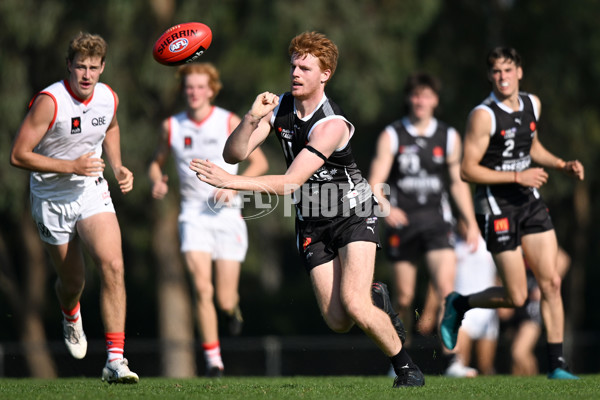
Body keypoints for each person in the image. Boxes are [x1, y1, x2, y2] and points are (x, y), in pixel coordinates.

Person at [189, 31, 424, 387]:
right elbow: (233, 154)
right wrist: (252, 119)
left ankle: (407, 369)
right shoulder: (280, 107)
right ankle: (378, 294)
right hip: (311, 220)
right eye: (293, 65)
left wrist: (230, 182)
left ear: (325, 74)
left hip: (352, 212)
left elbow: (290, 183)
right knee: (338, 321)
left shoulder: (331, 124)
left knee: (355, 302)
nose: (296, 73)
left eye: (306, 67)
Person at [441, 46, 584, 380]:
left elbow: (530, 146)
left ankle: (557, 366)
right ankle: (459, 304)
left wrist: (562, 164)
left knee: (551, 281)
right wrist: (518, 176)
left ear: (519, 72)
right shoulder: (483, 115)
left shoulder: (533, 104)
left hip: (528, 200)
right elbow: (467, 170)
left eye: (508, 70)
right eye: (496, 72)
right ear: (490, 76)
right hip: (495, 205)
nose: (502, 77)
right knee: (517, 295)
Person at [9, 32, 138, 383]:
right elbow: (18, 155)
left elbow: (110, 126)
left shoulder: (108, 97)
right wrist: (70, 166)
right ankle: (70, 313)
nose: (86, 75)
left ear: (102, 68)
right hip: (52, 199)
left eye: (93, 68)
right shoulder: (51, 102)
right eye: (80, 66)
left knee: (113, 264)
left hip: (91, 190)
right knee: (73, 281)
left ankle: (115, 360)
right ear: (69, 65)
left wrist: (118, 166)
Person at [148, 62, 268, 377]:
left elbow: (259, 162)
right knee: (202, 288)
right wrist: (158, 179)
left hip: (227, 215)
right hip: (192, 215)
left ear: (211, 90)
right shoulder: (171, 126)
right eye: (189, 87)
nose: (194, 93)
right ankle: (214, 361)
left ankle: (232, 309)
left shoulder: (228, 120)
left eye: (201, 87)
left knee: (225, 297)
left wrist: (231, 184)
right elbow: (157, 162)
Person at [368, 73, 480, 345]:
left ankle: (453, 360)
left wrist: (471, 222)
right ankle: (400, 358)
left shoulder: (449, 136)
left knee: (446, 291)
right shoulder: (392, 135)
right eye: (416, 95)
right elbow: (374, 183)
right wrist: (386, 208)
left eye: (426, 95)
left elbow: (457, 183)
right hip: (402, 223)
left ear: (435, 100)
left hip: (437, 222)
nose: (421, 101)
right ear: (409, 98)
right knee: (404, 298)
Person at [418, 217, 499, 377]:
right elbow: (438, 282)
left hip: (487, 311)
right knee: (461, 362)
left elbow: (499, 274)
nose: (465, 226)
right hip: (461, 309)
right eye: (461, 222)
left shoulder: (490, 244)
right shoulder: (452, 245)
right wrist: (429, 311)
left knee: (485, 365)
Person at [498, 247, 572, 376]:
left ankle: (534, 383)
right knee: (518, 358)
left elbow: (563, 259)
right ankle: (526, 388)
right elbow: (501, 273)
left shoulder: (531, 241)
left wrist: (544, 286)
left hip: (532, 308)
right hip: (516, 307)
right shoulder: (508, 243)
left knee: (518, 352)